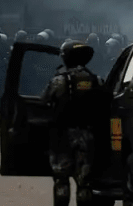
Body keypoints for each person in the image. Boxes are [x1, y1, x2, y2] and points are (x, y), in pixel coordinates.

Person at [42, 41, 105, 206]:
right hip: (88, 136)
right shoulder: (97, 80)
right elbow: (105, 105)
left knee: (61, 180)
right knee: (85, 181)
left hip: (62, 137)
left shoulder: (59, 81)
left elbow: (45, 102)